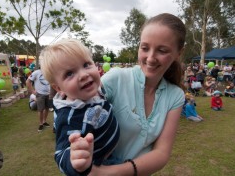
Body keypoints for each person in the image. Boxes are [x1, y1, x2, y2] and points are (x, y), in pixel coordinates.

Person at [70, 13, 186, 175]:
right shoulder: (116, 79)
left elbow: (161, 153)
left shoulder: (175, 96)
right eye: (145, 48)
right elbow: (73, 110)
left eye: (162, 50)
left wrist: (110, 173)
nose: (150, 58)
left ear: (178, 53)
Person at [40, 39, 120, 175]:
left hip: (113, 155)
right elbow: (60, 153)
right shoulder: (70, 116)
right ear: (59, 88)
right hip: (99, 167)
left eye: (86, 64)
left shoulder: (95, 90)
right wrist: (74, 161)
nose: (83, 75)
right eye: (69, 73)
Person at [26, 68, 51, 132]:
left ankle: (44, 121)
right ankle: (41, 124)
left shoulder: (49, 72)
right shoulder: (36, 72)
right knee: (40, 110)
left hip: (48, 94)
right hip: (40, 94)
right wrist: (32, 91)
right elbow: (28, 81)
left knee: (47, 108)